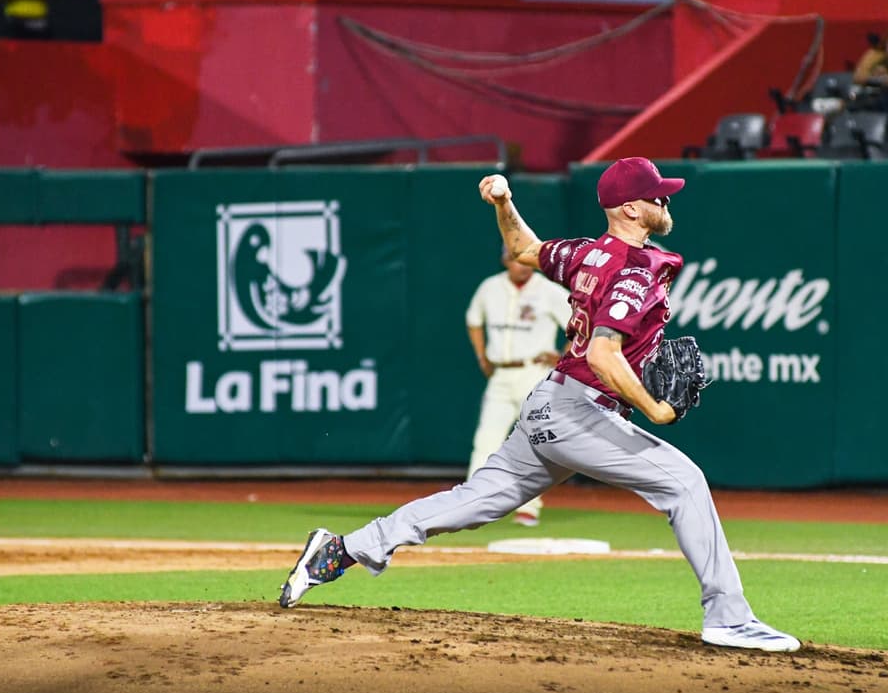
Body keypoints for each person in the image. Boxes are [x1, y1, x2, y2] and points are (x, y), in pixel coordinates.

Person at [278, 157, 802, 653]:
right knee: (684, 482)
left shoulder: (587, 254)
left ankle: (340, 550)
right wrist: (654, 409)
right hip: (578, 411)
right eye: (657, 196)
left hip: (549, 405)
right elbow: (602, 354)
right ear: (631, 209)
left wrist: (504, 204)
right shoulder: (634, 268)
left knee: (472, 502)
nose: (666, 202)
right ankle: (729, 618)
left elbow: (524, 247)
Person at [465, 246, 571, 527]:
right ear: (505, 260)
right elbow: (473, 320)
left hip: (534, 373)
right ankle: (471, 504)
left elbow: (581, 323)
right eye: (515, 259)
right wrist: (481, 356)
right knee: (486, 441)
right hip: (501, 373)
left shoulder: (548, 291)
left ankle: (529, 507)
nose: (521, 265)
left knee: (534, 442)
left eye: (526, 259)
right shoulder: (490, 287)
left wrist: (563, 356)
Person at [848, 23, 888, 110]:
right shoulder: (876, 54)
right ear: (887, 41)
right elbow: (857, 77)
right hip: (870, 95)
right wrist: (875, 77)